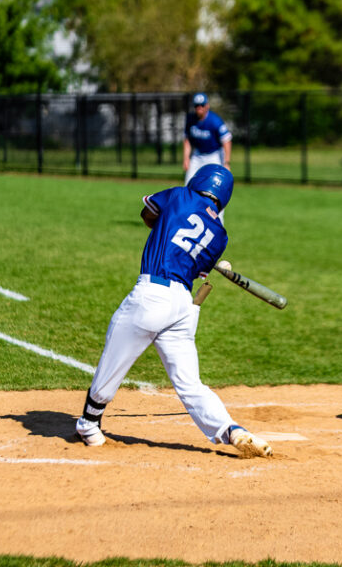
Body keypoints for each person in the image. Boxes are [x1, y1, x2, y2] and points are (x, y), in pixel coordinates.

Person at [74, 164, 273, 458]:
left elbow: (147, 214)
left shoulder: (180, 196)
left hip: (151, 295)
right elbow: (196, 269)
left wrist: (169, 224)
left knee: (114, 354)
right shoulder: (220, 235)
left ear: (200, 180)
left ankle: (89, 424)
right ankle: (232, 431)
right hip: (182, 306)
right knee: (191, 384)